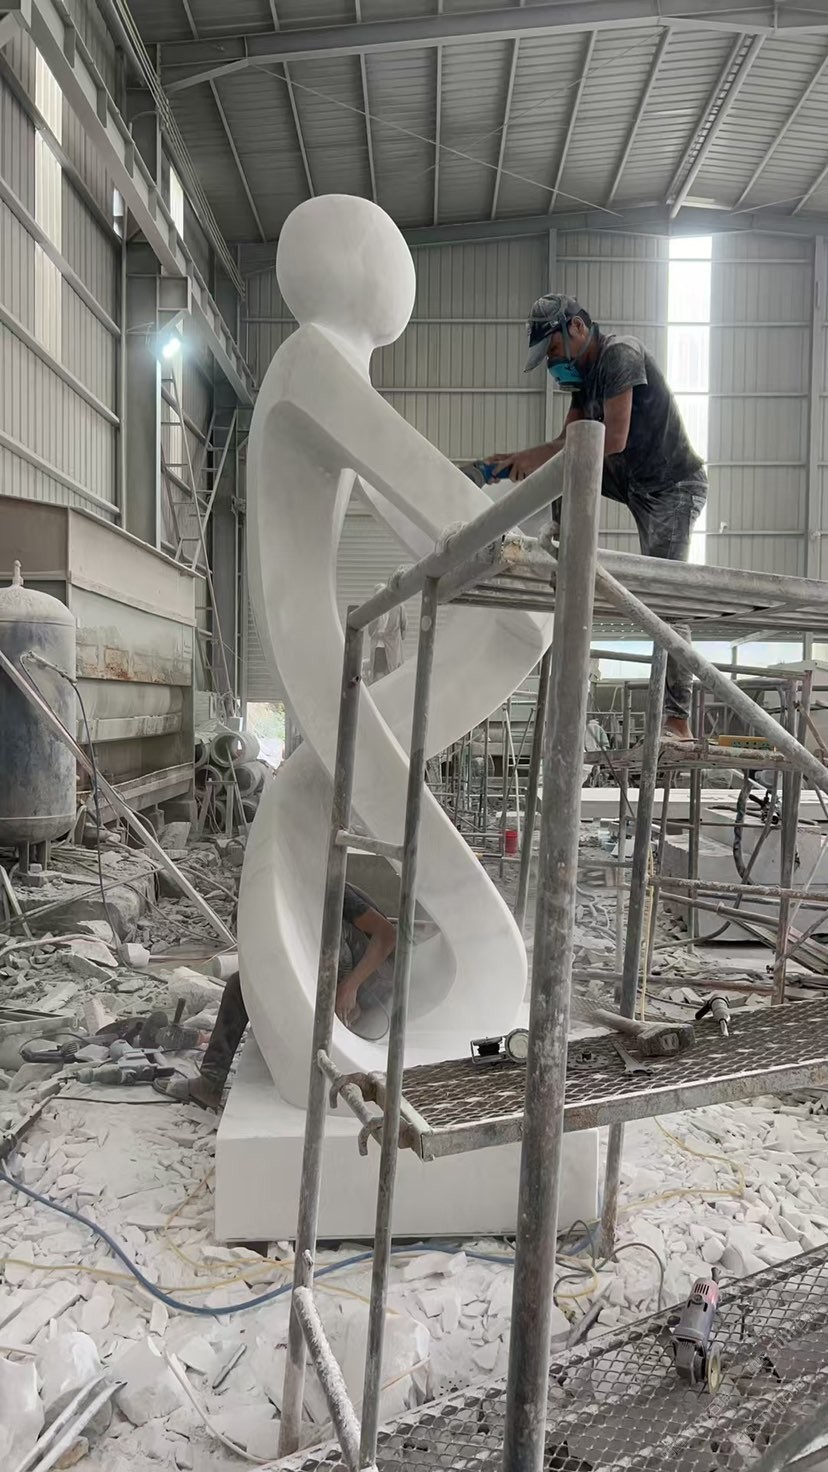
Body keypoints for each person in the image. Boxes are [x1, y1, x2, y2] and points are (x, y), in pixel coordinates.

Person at [491, 294, 707, 744]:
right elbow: (564, 446)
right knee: (562, 469)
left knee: (665, 601)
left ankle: (677, 720)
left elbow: (612, 439)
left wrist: (539, 458)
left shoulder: (620, 355)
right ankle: (561, 550)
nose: (553, 365)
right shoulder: (583, 384)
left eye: (553, 351)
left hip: (672, 485)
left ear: (576, 328)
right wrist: (519, 459)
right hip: (633, 482)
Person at [158, 884, 396, 1111]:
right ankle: (210, 1083)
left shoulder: (328, 890)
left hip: (375, 986)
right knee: (243, 983)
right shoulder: (286, 905)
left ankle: (345, 1011)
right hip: (339, 973)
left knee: (331, 931)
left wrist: (350, 988)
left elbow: (387, 935)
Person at [365, 583, 407, 684]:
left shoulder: (398, 606)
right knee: (379, 674)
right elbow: (370, 631)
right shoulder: (373, 608)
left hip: (392, 646)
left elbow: (404, 626)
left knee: (391, 673)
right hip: (378, 646)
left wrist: (395, 638)